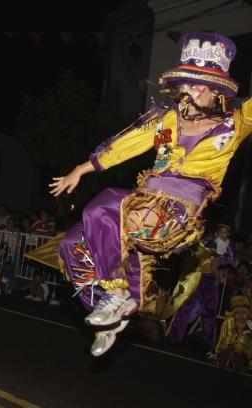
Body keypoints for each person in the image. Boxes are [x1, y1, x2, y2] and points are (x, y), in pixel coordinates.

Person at [48, 32, 252, 356]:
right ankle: (108, 315)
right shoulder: (164, 120)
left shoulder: (235, 124)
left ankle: (118, 295)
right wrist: (79, 169)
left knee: (101, 207)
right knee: (70, 245)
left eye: (203, 85)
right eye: (188, 83)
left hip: (176, 215)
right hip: (142, 209)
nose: (193, 90)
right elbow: (121, 147)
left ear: (217, 92)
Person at [215, 294, 252, 372]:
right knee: (228, 347)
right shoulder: (229, 322)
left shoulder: (250, 325)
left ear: (248, 315)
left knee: (241, 346)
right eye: (238, 313)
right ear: (234, 314)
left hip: (245, 351)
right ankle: (227, 361)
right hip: (231, 346)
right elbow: (223, 337)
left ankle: (240, 363)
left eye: (244, 313)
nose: (241, 315)